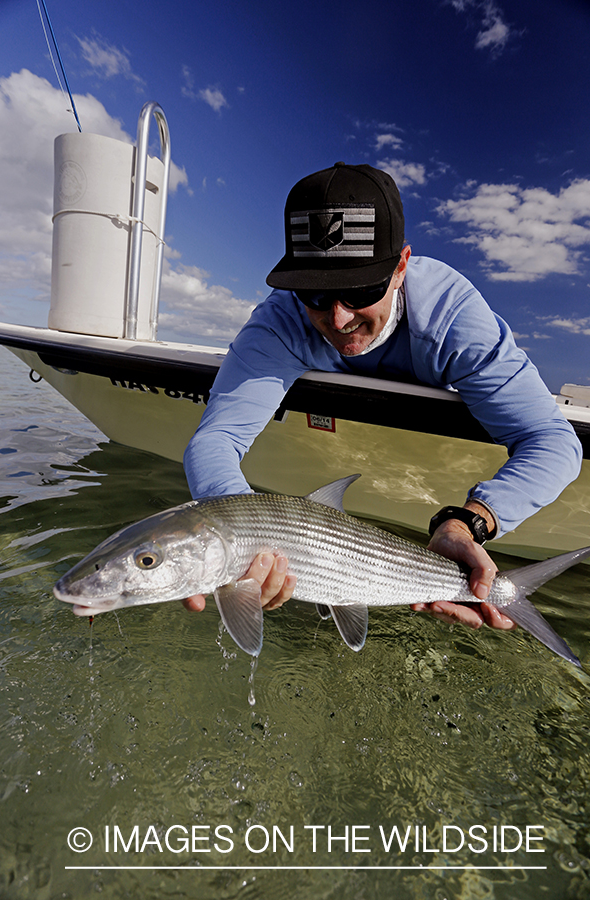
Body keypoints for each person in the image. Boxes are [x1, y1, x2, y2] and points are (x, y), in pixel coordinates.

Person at [181, 162, 582, 631]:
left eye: (360, 289)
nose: (337, 317)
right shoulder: (280, 320)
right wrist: (240, 543)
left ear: (401, 267)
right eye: (314, 292)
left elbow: (553, 442)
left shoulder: (454, 319)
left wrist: (467, 522)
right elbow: (215, 441)